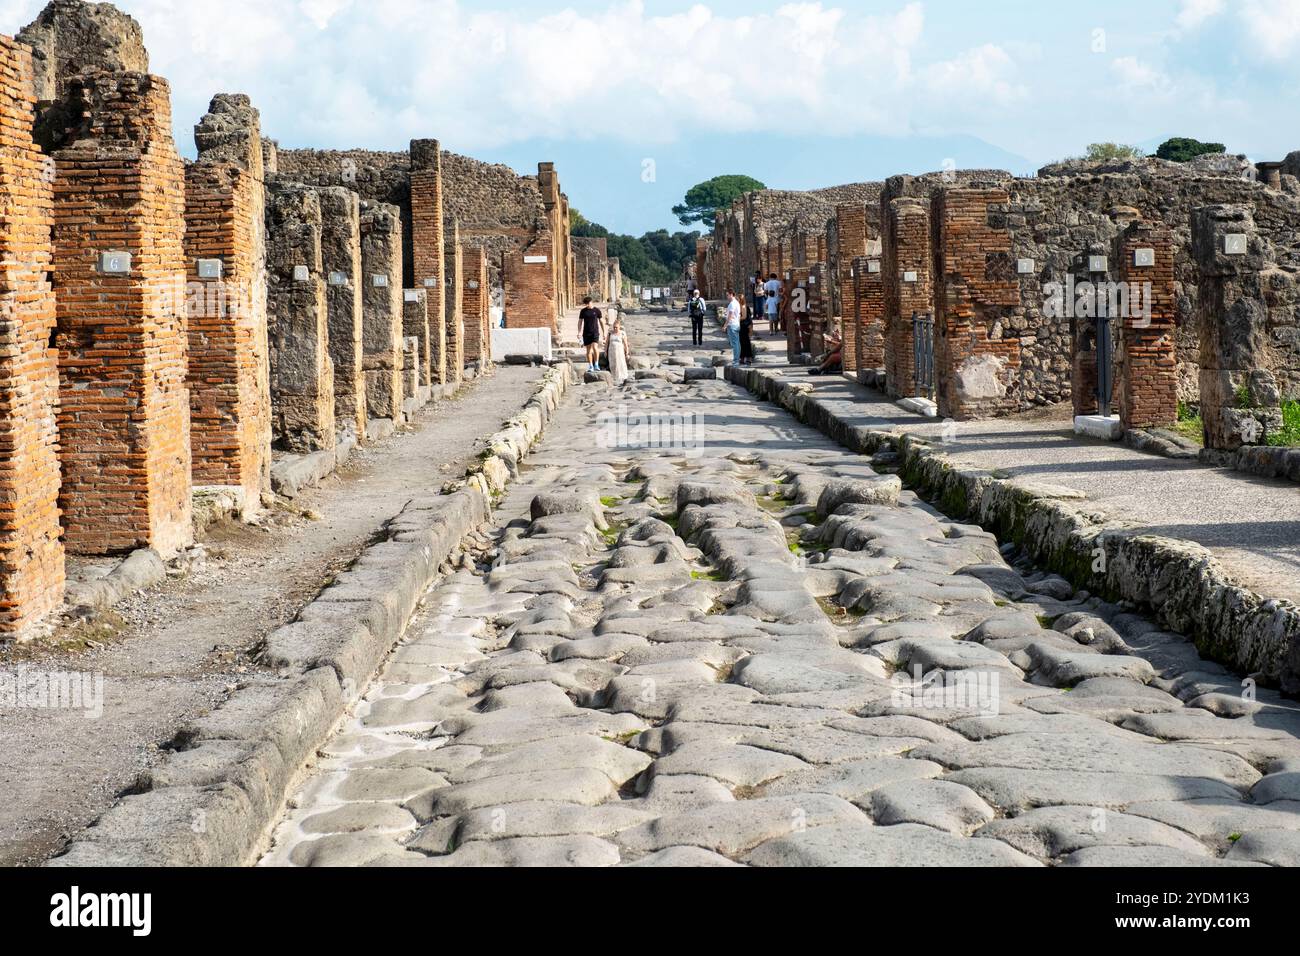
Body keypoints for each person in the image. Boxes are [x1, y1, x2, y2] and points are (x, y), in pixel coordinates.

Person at [578, 297, 604, 372]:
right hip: (586, 333)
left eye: (588, 303)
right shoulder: (583, 311)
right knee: (588, 350)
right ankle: (590, 366)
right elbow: (580, 322)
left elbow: (601, 321)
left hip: (595, 332)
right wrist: (579, 332)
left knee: (595, 347)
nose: (587, 305)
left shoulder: (597, 310)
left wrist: (604, 332)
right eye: (586, 304)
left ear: (591, 302)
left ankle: (596, 364)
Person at [606, 315, 631, 385]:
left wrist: (627, 353)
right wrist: (605, 351)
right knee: (613, 363)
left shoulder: (622, 333)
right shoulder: (610, 333)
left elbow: (625, 344)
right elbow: (607, 343)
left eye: (616, 327)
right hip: (611, 350)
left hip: (619, 350)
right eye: (614, 327)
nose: (615, 328)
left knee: (620, 363)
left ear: (619, 327)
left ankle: (622, 376)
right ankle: (614, 376)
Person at [725, 289, 742, 367]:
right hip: (736, 324)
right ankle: (737, 359)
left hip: (732, 325)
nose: (727, 296)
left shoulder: (732, 303)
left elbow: (730, 315)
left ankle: (736, 360)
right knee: (737, 343)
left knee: (734, 343)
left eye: (727, 295)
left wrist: (725, 325)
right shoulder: (736, 303)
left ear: (732, 294)